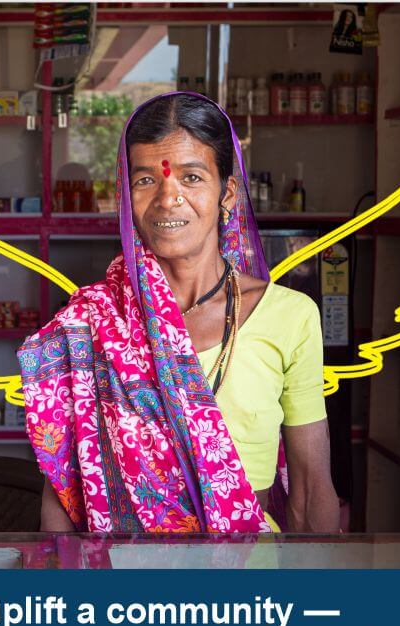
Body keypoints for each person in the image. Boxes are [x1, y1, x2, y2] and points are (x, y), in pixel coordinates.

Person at [18, 92, 339, 534]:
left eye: (191, 177)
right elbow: (65, 490)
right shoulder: (92, 320)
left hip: (251, 575)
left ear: (227, 192)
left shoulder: (288, 316)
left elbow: (310, 487)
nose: (169, 199)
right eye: (146, 180)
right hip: (122, 587)